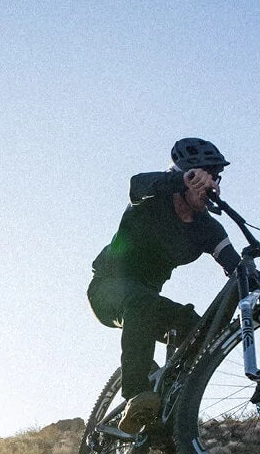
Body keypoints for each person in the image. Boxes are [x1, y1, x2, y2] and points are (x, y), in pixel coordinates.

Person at [87, 137, 241, 433]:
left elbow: (238, 268)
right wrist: (180, 179)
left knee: (200, 330)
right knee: (141, 302)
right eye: (203, 175)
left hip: (147, 301)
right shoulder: (151, 199)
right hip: (107, 289)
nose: (209, 184)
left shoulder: (207, 229)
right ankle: (135, 394)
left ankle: (169, 412)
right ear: (185, 174)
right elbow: (138, 183)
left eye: (215, 178)